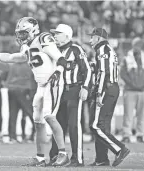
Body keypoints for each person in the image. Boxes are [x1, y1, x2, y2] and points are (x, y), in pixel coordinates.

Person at [0, 17, 72, 167]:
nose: (21, 36)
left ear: (34, 30)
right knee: (38, 121)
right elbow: (10, 58)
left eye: (24, 32)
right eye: (20, 33)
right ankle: (40, 158)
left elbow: (61, 59)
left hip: (53, 82)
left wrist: (58, 73)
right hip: (41, 85)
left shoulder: (43, 38)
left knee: (49, 116)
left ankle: (63, 154)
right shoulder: (26, 46)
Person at [48, 24, 92, 167]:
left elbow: (87, 70)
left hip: (74, 90)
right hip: (59, 92)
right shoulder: (54, 50)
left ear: (67, 35)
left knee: (74, 125)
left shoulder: (76, 49)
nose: (55, 36)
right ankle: (55, 156)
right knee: (57, 125)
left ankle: (77, 159)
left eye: (58, 33)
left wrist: (85, 87)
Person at [88, 28, 130, 167]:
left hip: (106, 88)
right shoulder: (108, 49)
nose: (90, 40)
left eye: (92, 37)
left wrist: (99, 93)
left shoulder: (102, 49)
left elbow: (103, 72)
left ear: (99, 38)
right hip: (112, 87)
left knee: (95, 125)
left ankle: (119, 149)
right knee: (103, 125)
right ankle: (101, 159)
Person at [120, 37, 144, 143]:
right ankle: (126, 134)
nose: (138, 46)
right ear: (132, 45)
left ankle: (140, 134)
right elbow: (122, 73)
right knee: (128, 114)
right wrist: (133, 84)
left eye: (140, 44)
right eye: (136, 44)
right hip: (130, 90)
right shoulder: (127, 57)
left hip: (142, 90)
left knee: (141, 113)